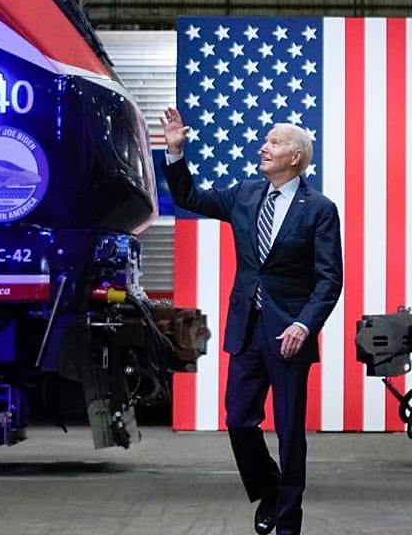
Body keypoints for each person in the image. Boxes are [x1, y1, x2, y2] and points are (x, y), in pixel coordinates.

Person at [161, 106, 342, 535]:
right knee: (239, 421)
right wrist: (175, 153)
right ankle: (271, 489)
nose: (264, 147)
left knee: (290, 431)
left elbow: (329, 279)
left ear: (295, 157)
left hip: (289, 333)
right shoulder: (244, 194)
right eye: (265, 140)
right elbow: (189, 198)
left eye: (274, 142)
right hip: (246, 327)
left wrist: (304, 325)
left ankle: (288, 524)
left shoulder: (319, 209)